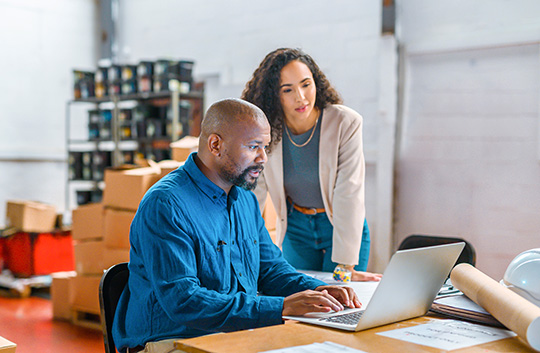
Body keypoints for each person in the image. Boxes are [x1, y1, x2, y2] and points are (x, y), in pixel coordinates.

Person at [112, 98, 361, 353]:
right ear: (216, 145)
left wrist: (319, 290)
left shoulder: (245, 201)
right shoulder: (165, 204)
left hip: (231, 336)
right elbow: (184, 301)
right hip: (172, 341)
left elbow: (271, 270)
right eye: (253, 147)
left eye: (264, 147)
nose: (263, 158)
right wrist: (281, 307)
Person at [241, 48, 382, 282]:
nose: (301, 97)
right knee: (302, 298)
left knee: (339, 301)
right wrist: (245, 252)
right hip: (296, 229)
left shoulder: (345, 123)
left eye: (306, 84)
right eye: (288, 90)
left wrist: (345, 266)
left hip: (339, 225)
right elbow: (253, 194)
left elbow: (350, 192)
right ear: (273, 95)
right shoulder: (267, 130)